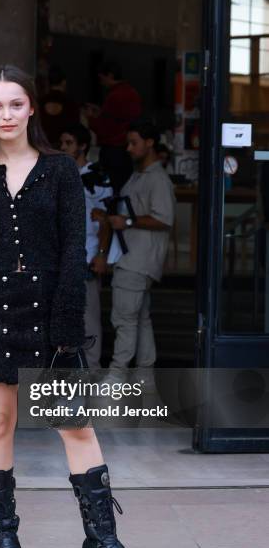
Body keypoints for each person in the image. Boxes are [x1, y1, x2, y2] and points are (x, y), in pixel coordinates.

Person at [0, 64, 156, 548]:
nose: (6, 114)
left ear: (32, 108)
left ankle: (102, 546)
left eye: (16, 104)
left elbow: (71, 253)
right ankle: (5, 545)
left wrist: (66, 327)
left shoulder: (60, 170)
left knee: (76, 427)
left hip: (47, 317)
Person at [107, 120, 175, 385]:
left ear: (149, 143)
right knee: (140, 318)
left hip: (138, 259)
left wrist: (128, 222)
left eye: (134, 142)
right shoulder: (140, 175)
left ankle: (117, 374)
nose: (129, 148)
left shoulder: (157, 179)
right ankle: (145, 375)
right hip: (135, 258)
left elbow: (165, 218)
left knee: (124, 318)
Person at [60, 122, 121, 368]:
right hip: (63, 256)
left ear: (82, 146)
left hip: (88, 254)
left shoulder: (98, 176)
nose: (63, 147)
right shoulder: (59, 173)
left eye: (69, 143)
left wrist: (102, 255)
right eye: (61, 143)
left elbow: (106, 219)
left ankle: (92, 370)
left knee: (89, 318)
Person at [85, 61, 142, 194]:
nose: (101, 82)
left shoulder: (114, 96)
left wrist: (90, 118)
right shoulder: (132, 92)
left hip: (113, 150)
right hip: (126, 149)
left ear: (110, 76)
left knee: (110, 191)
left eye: (102, 78)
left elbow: (105, 128)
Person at [39, 65, 80, 148]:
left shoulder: (40, 102)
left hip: (43, 146)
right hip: (65, 147)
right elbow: (75, 127)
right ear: (64, 82)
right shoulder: (70, 103)